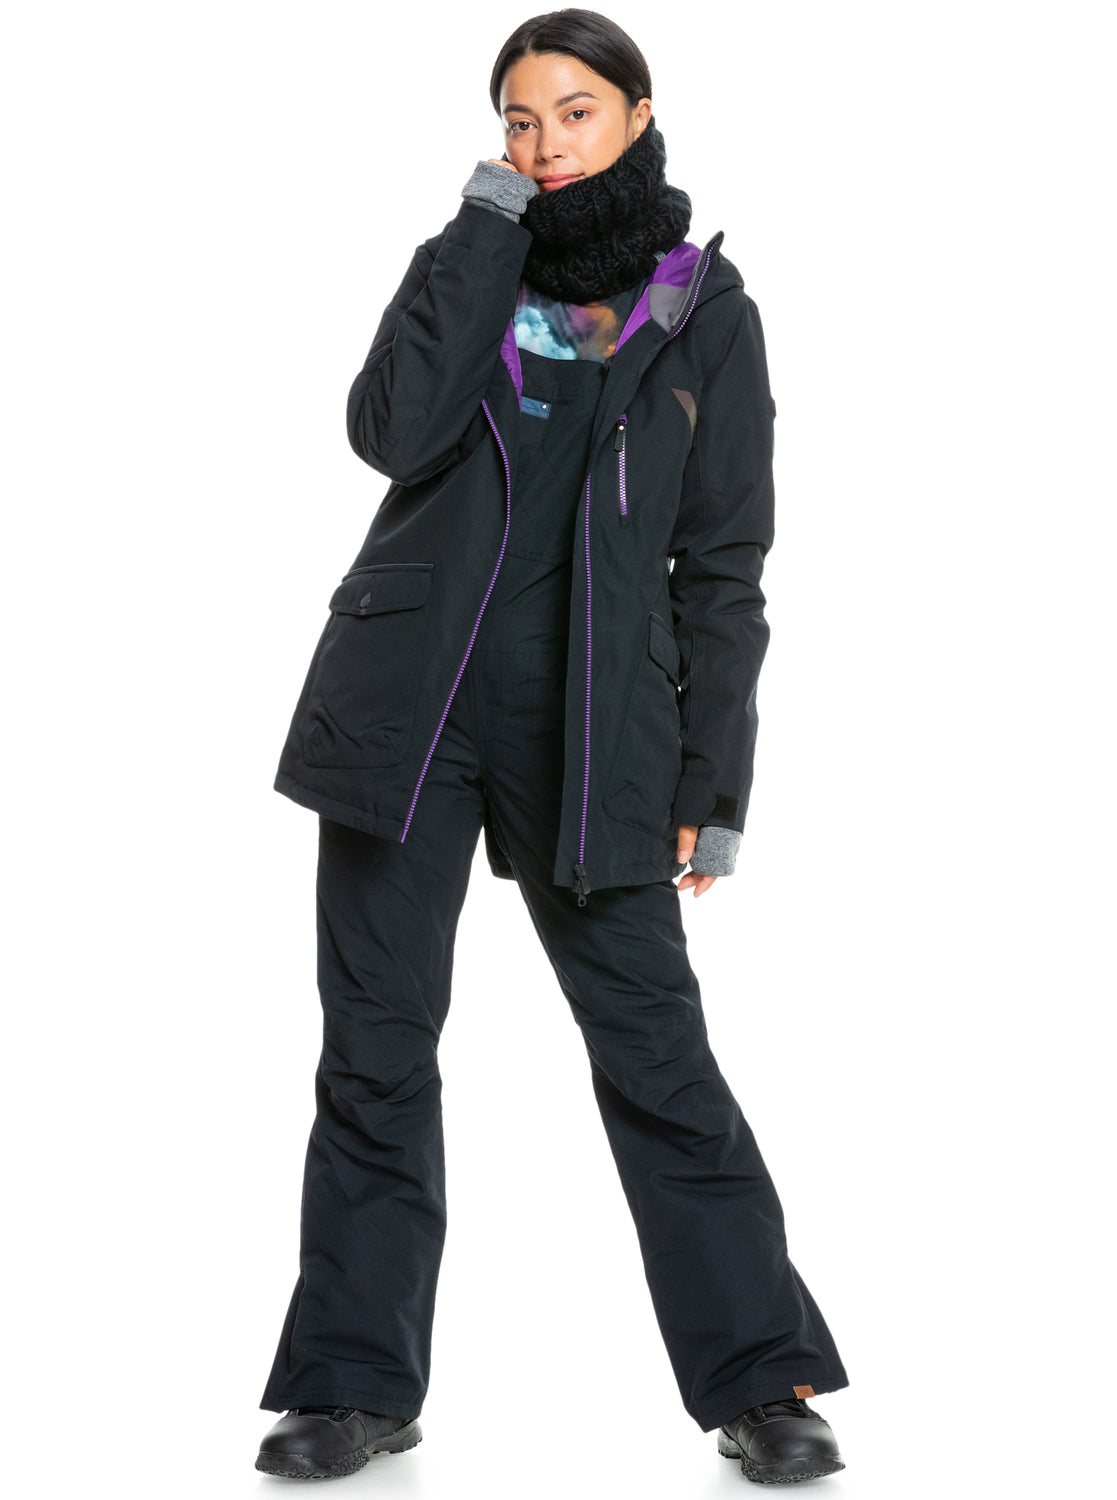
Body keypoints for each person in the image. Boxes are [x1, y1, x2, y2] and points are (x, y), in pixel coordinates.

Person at [255, 9, 849, 1484]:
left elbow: (724, 564)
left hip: (597, 730)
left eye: (573, 112)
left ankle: (762, 1379)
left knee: (655, 1053)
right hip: (407, 711)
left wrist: (713, 779)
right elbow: (390, 433)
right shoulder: (466, 261)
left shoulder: (705, 308)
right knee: (375, 1049)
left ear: (638, 113)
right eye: (517, 120)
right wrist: (482, 229)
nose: (544, 143)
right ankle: (351, 1385)